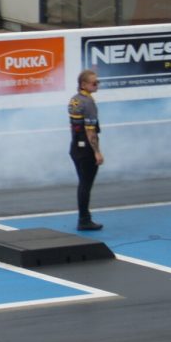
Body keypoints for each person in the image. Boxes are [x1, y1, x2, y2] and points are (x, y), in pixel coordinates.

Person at [68, 69, 104, 232]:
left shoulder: (74, 100)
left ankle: (84, 218)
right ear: (83, 84)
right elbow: (90, 131)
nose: (97, 85)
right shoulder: (88, 103)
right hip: (86, 150)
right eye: (94, 83)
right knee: (85, 184)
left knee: (83, 183)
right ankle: (84, 219)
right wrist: (97, 151)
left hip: (75, 147)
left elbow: (74, 126)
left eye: (98, 82)